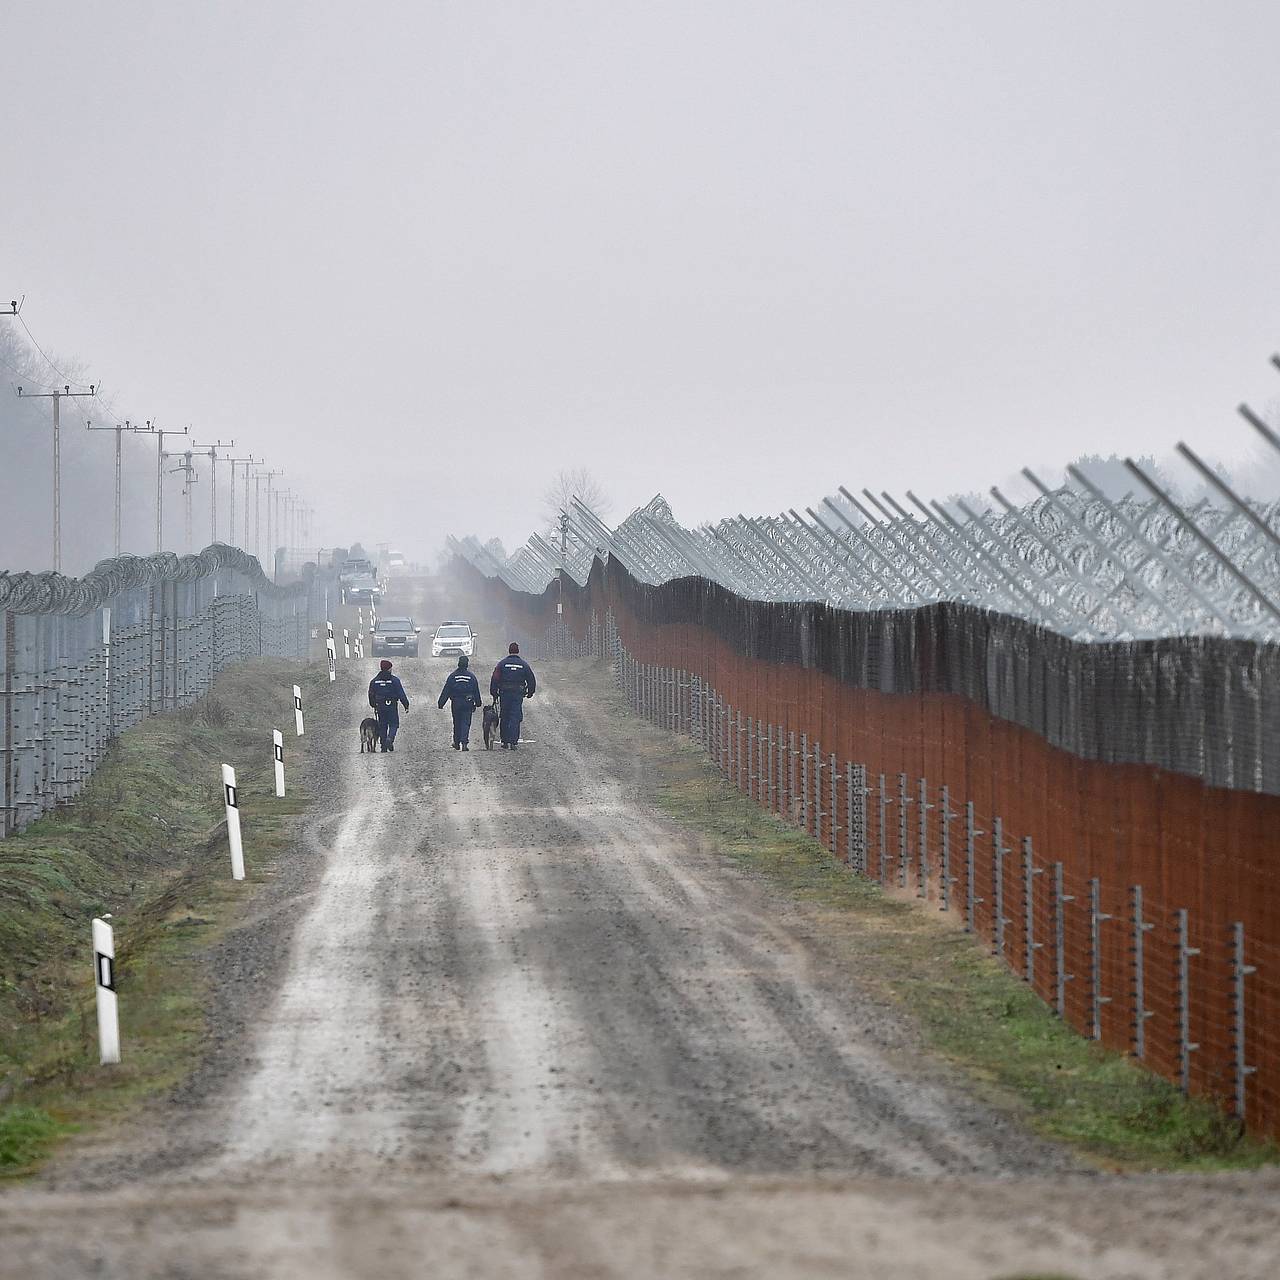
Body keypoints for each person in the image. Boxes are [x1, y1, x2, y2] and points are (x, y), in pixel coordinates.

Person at [490, 642, 536, 749]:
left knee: (504, 716)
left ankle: (504, 741)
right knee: (515, 717)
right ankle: (513, 742)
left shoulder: (502, 664)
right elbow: (531, 679)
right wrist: (530, 692)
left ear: (509, 651)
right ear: (518, 651)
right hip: (517, 694)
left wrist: (494, 692)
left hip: (504, 694)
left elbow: (495, 678)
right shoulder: (524, 665)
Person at [437, 655, 482, 750]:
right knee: (466, 722)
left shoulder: (453, 676)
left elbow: (446, 690)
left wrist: (441, 703)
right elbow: (476, 691)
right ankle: (464, 743)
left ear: (458, 663)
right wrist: (478, 702)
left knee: (457, 722)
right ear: (467, 664)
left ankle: (456, 742)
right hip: (468, 702)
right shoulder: (471, 677)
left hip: (456, 702)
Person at [368, 659, 409, 752]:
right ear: (389, 669)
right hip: (392, 705)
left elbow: (371, 694)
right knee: (394, 724)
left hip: (380, 705)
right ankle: (390, 739)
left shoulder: (374, 681)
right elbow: (401, 693)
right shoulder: (394, 680)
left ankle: (383, 746)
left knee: (382, 725)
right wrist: (406, 705)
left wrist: (373, 704)